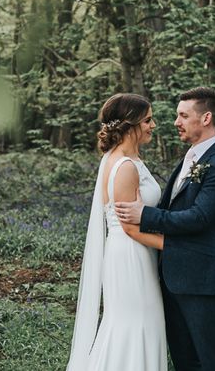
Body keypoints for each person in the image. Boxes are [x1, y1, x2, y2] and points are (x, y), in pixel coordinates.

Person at [115, 87, 215, 371]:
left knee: (211, 361)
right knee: (185, 362)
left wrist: (145, 214)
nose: (176, 122)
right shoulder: (189, 158)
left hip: (201, 281)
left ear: (206, 118)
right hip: (171, 277)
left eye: (183, 115)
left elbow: (199, 218)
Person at [66, 93, 167, 371]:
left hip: (134, 252)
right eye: (148, 120)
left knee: (136, 325)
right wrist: (173, 245)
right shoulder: (123, 166)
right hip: (130, 255)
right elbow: (130, 228)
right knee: (136, 326)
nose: (153, 125)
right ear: (130, 124)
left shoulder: (125, 159)